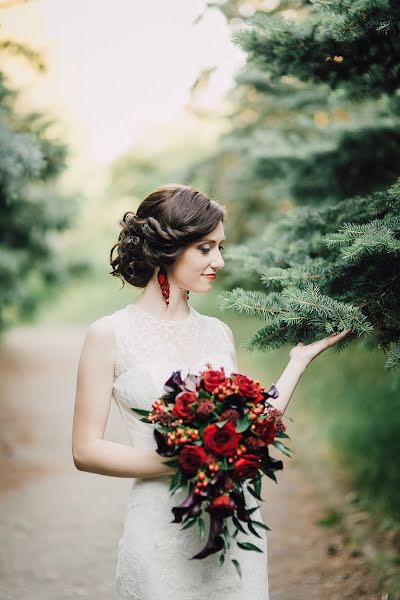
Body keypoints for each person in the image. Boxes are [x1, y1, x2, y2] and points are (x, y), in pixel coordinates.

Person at [71, 183, 352, 599]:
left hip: (231, 527)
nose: (218, 260)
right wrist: (191, 460)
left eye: (220, 247)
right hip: (159, 528)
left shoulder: (217, 333)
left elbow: (249, 426)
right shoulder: (110, 334)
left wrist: (298, 361)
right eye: (205, 248)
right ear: (167, 249)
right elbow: (86, 450)